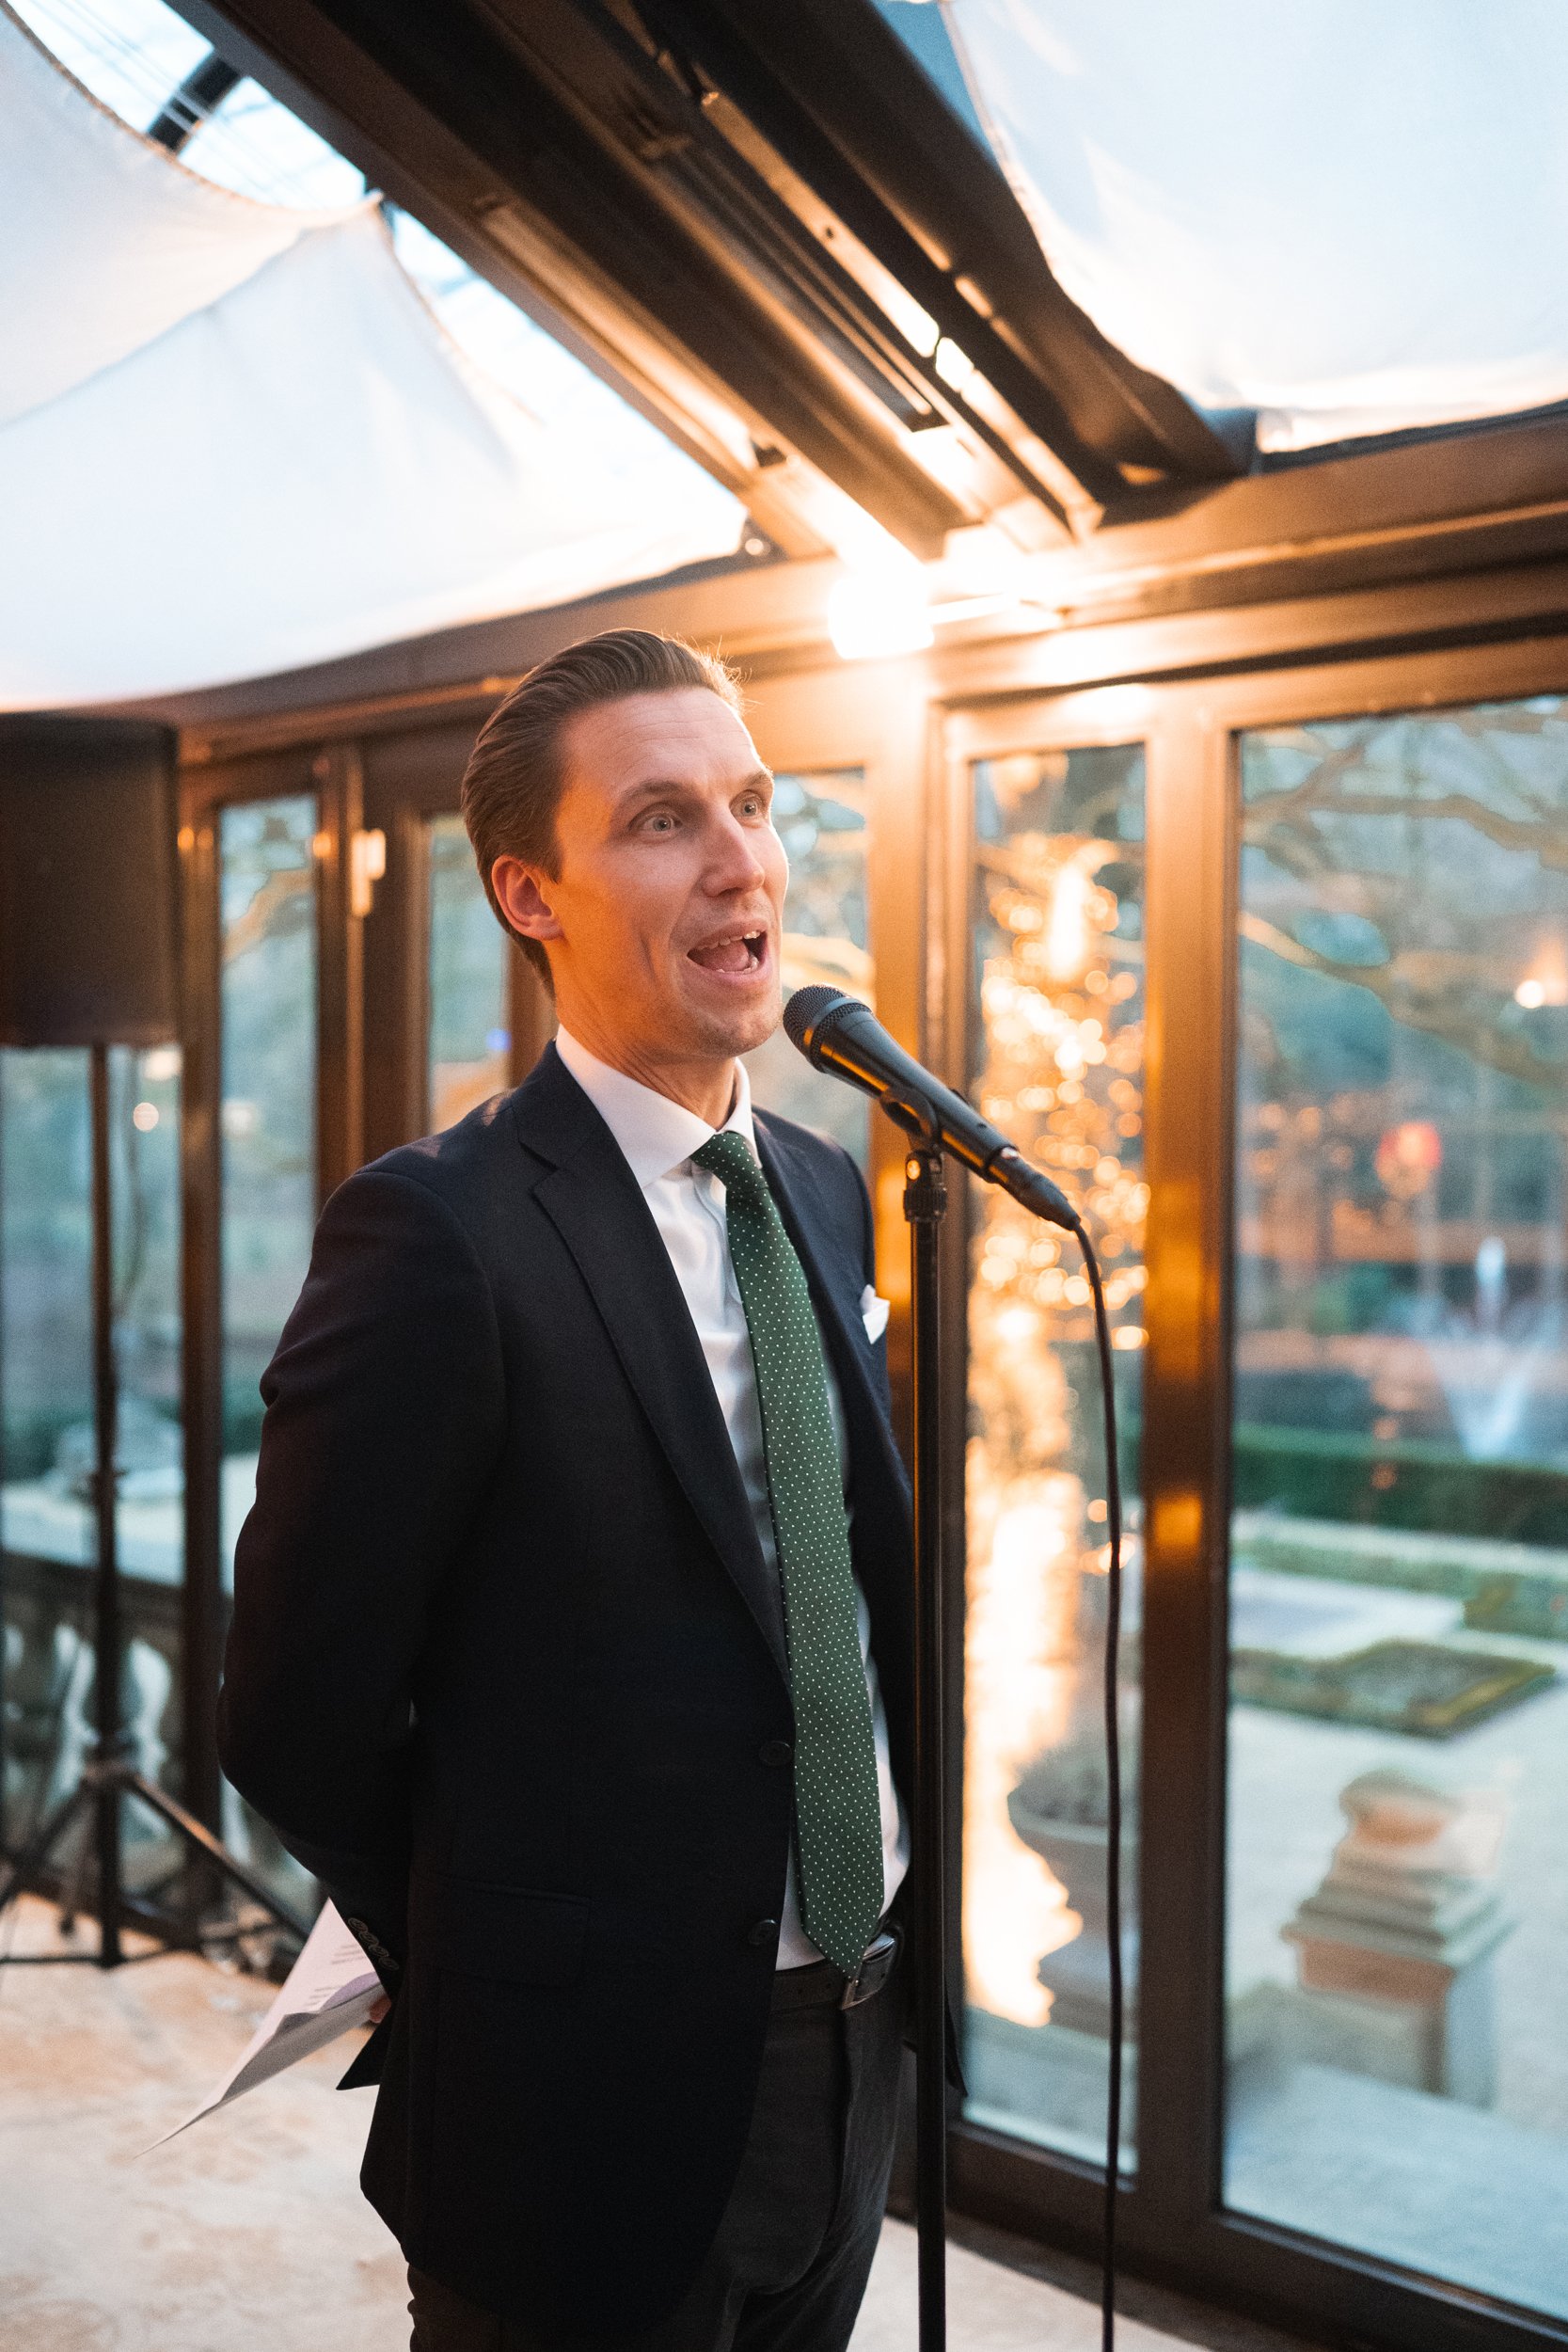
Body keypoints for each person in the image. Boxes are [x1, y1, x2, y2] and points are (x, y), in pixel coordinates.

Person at [217, 628, 921, 2351]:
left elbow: (834, 1584)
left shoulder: (824, 1184)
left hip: (857, 2036)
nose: (743, 861)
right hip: (575, 2089)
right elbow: (294, 1709)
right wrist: (498, 1944)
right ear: (531, 893)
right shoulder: (434, 1232)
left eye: (753, 804)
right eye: (664, 820)